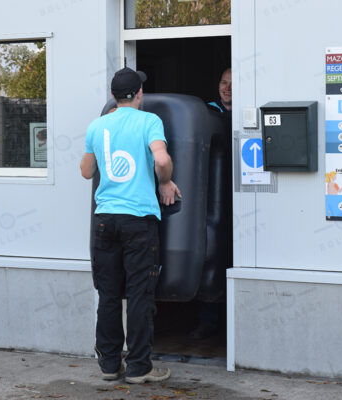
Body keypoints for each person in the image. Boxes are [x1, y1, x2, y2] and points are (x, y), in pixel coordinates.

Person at [80, 67, 181, 384]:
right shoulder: (149, 121)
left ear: (113, 96)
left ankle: (110, 365)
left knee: (108, 294)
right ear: (139, 94)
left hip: (105, 220)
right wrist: (164, 181)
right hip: (139, 219)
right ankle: (138, 367)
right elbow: (162, 161)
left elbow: (85, 171)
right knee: (139, 295)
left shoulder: (97, 126)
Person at [188, 67, 232, 340]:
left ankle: (232, 323)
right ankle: (208, 321)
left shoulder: (244, 112)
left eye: (232, 83)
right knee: (211, 256)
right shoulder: (207, 115)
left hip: (241, 195)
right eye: (223, 82)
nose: (227, 88)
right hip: (212, 197)